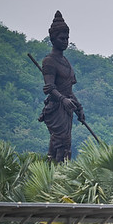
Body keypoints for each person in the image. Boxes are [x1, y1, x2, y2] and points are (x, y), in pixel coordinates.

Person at [39, 11, 85, 162]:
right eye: (61, 38)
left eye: (67, 38)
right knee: (61, 142)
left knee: (63, 144)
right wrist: (63, 100)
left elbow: (69, 90)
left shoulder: (65, 61)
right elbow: (50, 88)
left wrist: (79, 107)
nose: (65, 41)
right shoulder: (49, 61)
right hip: (56, 107)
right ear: (53, 39)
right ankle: (56, 175)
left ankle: (56, 174)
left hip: (67, 109)